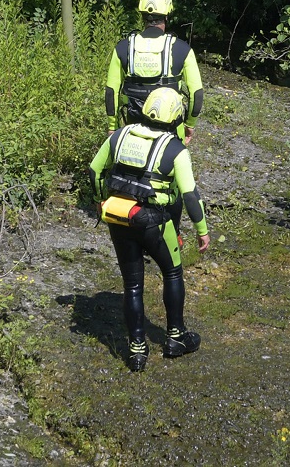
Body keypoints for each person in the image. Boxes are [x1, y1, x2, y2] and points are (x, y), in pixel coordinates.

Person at [89, 86, 211, 372]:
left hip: (119, 218)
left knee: (132, 285)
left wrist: (98, 201)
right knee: (172, 272)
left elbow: (95, 171)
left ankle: (136, 349)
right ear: (175, 117)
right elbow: (190, 194)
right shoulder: (175, 149)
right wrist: (201, 230)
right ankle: (176, 337)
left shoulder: (119, 135)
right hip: (154, 222)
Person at [104, 0, 204, 145]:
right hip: (172, 131)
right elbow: (197, 93)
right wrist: (189, 125)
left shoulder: (123, 48)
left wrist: (112, 126)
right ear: (167, 14)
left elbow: (111, 91)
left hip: (133, 128)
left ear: (142, 15)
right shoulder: (182, 49)